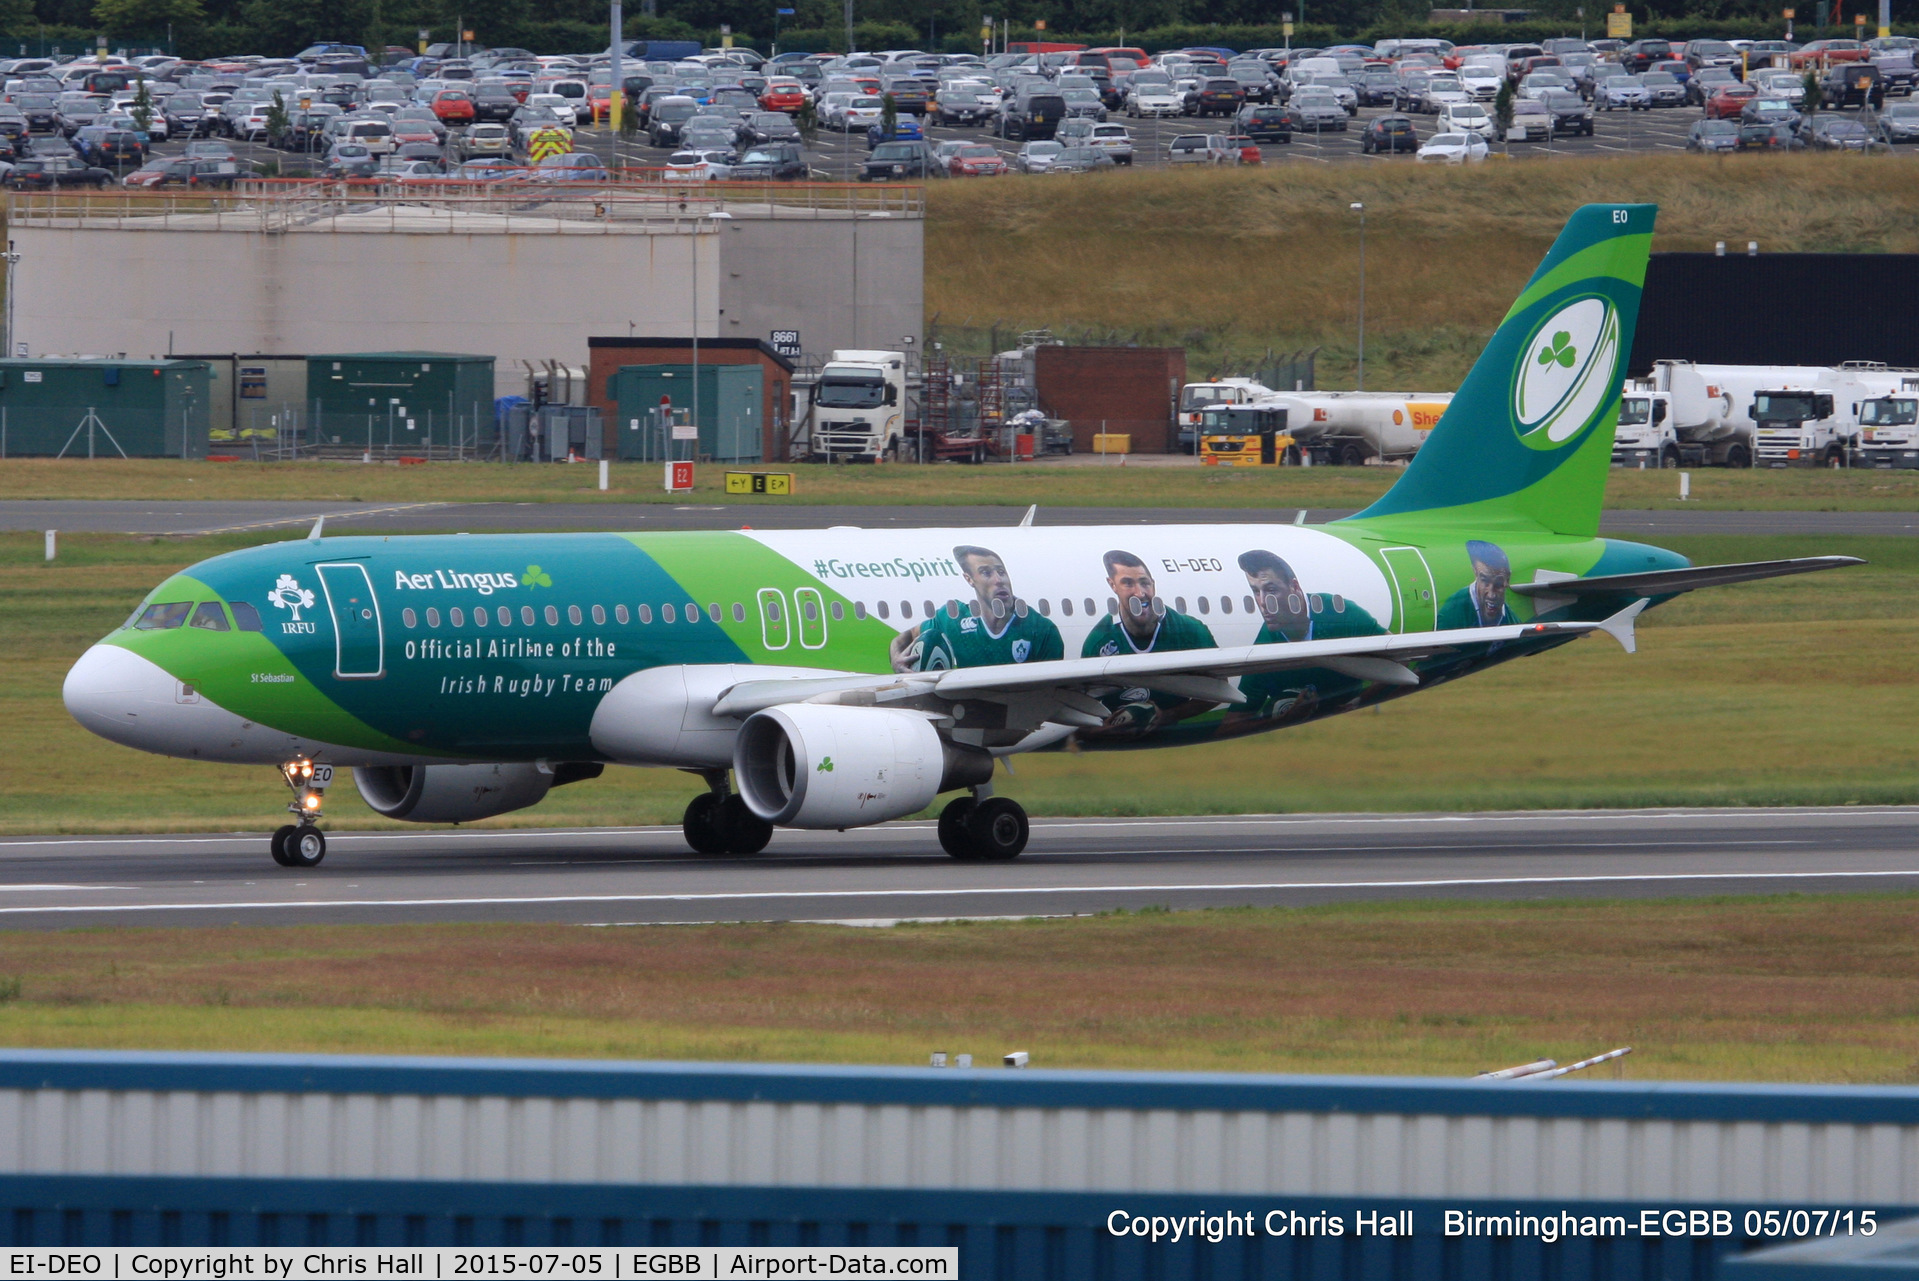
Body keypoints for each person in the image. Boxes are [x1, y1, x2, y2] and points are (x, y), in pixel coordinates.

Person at [1224, 550, 1386, 732]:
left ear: (1294, 587)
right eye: (1255, 591)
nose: (1262, 602)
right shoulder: (1264, 647)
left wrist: (1360, 702)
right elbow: (1229, 725)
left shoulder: (1340, 614)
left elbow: (1399, 659)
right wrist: (1287, 720)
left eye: (1271, 590)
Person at [1079, 550, 1217, 740]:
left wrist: (1168, 716)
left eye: (1145, 583)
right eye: (1128, 583)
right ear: (1112, 585)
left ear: (1153, 584)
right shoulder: (1098, 641)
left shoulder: (1189, 630)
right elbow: (1081, 713)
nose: (1140, 593)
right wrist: (1104, 730)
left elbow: (1219, 691)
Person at [889, 545, 1063, 673]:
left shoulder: (1041, 630)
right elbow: (904, 638)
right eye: (986, 573)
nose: (998, 580)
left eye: (1001, 572)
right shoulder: (952, 621)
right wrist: (897, 660)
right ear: (969, 579)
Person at [1437, 539, 1519, 630]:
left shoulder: (1511, 618)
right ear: (1475, 572)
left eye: (1498, 584)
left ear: (1507, 579)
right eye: (1485, 581)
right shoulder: (1451, 614)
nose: (1492, 595)